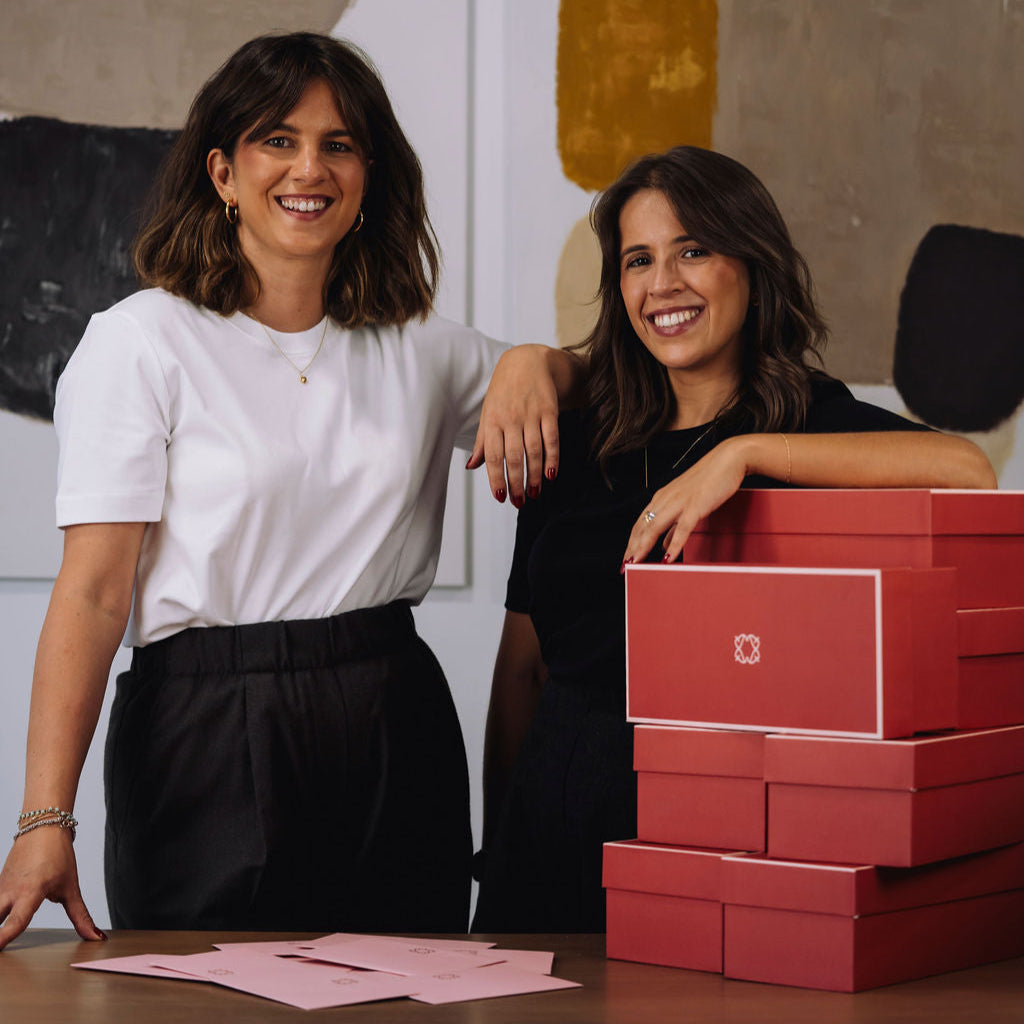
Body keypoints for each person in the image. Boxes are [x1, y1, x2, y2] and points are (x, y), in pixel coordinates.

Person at [0, 31, 582, 949]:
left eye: (338, 144)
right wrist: (44, 822)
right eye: (279, 138)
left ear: (368, 176)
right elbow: (94, 591)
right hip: (206, 728)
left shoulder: (422, 346)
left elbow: (606, 391)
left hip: (395, 713)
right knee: (206, 1001)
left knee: (413, 994)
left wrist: (534, 359)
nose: (309, 167)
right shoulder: (139, 342)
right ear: (223, 172)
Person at [472, 145, 997, 933]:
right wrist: (496, 852)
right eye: (638, 260)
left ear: (752, 264)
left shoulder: (810, 423)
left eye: (694, 250)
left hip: (717, 838)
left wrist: (744, 453)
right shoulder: (576, 441)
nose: (663, 284)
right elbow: (521, 674)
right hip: (548, 830)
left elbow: (967, 470)